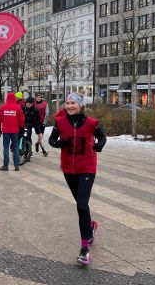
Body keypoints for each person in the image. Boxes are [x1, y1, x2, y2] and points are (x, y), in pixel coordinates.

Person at [48, 92, 106, 265]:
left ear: (80, 105)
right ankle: (90, 227)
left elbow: (102, 137)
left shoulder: (91, 123)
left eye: (73, 103)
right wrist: (58, 144)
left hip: (87, 168)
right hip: (68, 169)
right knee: (83, 206)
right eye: (67, 103)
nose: (70, 106)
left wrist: (99, 145)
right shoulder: (60, 122)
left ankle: (84, 249)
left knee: (81, 206)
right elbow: (51, 140)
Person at [0, 93, 25, 171]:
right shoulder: (18, 107)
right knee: (15, 147)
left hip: (6, 131)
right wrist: (22, 128)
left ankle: (5, 165)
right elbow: (21, 119)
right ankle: (16, 165)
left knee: (6, 147)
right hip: (15, 131)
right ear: (14, 99)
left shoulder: (3, 108)